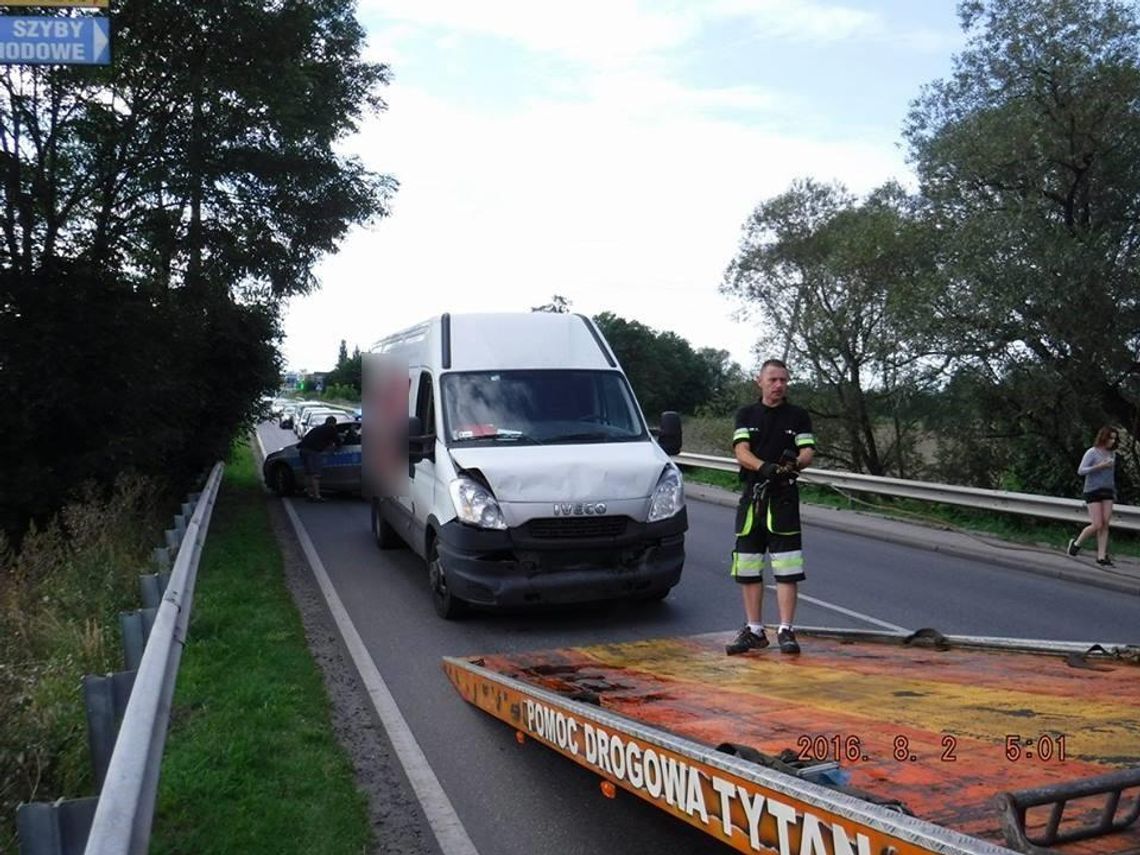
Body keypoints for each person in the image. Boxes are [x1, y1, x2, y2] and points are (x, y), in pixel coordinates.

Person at [725, 359, 815, 656]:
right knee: (749, 566)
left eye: (784, 380)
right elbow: (741, 451)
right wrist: (764, 467)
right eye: (774, 380)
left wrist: (793, 463)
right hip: (753, 498)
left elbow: (807, 452)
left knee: (787, 569)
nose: (779, 385)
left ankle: (786, 631)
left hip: (784, 500)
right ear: (759, 382)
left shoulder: (798, 416)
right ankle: (754, 630)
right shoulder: (746, 414)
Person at [1067, 426, 1119, 566]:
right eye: (1110, 438)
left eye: (1114, 438)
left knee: (1105, 523)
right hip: (1092, 490)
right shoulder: (1092, 452)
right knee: (1097, 523)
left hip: (1107, 490)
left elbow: (1111, 475)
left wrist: (1114, 490)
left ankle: (1101, 556)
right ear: (1103, 437)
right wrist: (1099, 466)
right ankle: (1076, 543)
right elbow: (1081, 470)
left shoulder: (1112, 454)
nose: (1112, 441)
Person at [298, 415, 342, 502]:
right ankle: (317, 496)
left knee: (308, 473)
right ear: (333, 423)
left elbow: (305, 440)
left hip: (303, 450)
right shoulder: (331, 429)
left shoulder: (318, 428)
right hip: (313, 451)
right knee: (315, 474)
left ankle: (309, 494)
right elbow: (338, 442)